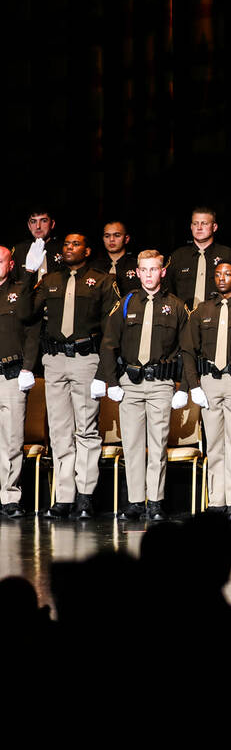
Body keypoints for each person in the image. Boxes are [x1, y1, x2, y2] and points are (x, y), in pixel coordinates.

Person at [24, 233, 119, 519]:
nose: (69, 248)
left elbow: (110, 330)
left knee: (86, 429)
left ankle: (85, 495)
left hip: (85, 358)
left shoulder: (102, 280)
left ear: (87, 250)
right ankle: (64, 496)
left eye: (75, 244)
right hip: (54, 360)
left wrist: (104, 371)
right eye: (65, 244)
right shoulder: (50, 280)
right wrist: (29, 274)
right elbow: (26, 313)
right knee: (60, 430)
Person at [99, 250, 191, 521]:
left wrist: (184, 387)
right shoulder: (126, 303)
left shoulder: (176, 305)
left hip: (161, 383)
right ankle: (136, 501)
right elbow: (108, 344)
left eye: (154, 269)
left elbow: (187, 350)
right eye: (144, 270)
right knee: (132, 445)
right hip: (130, 382)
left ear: (162, 272)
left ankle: (155, 501)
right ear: (137, 272)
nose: (149, 274)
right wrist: (112, 382)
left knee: (157, 444)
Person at [181, 259, 231, 522]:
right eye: (218, 274)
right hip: (209, 380)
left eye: (228, 274)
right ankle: (216, 501)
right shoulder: (202, 310)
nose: (222, 278)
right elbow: (188, 350)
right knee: (213, 444)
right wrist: (193, 385)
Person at [0, 246, 34, 518]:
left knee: (11, 439)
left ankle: (10, 497)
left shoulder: (21, 290)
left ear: (11, 264)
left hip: (10, 372)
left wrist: (27, 368)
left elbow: (32, 331)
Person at [165, 206, 231, 311]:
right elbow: (167, 291)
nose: (199, 227)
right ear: (191, 227)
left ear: (214, 227)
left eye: (204, 223)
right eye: (195, 223)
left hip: (219, 317)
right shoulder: (177, 257)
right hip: (184, 319)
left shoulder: (228, 255)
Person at [12, 206, 62, 284]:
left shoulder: (62, 248)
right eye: (33, 222)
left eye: (44, 221)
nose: (38, 226)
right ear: (29, 225)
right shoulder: (19, 250)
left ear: (52, 224)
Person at [92, 220, 140, 294]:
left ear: (126, 239)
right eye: (107, 236)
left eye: (117, 235)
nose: (111, 239)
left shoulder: (137, 266)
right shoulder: (94, 267)